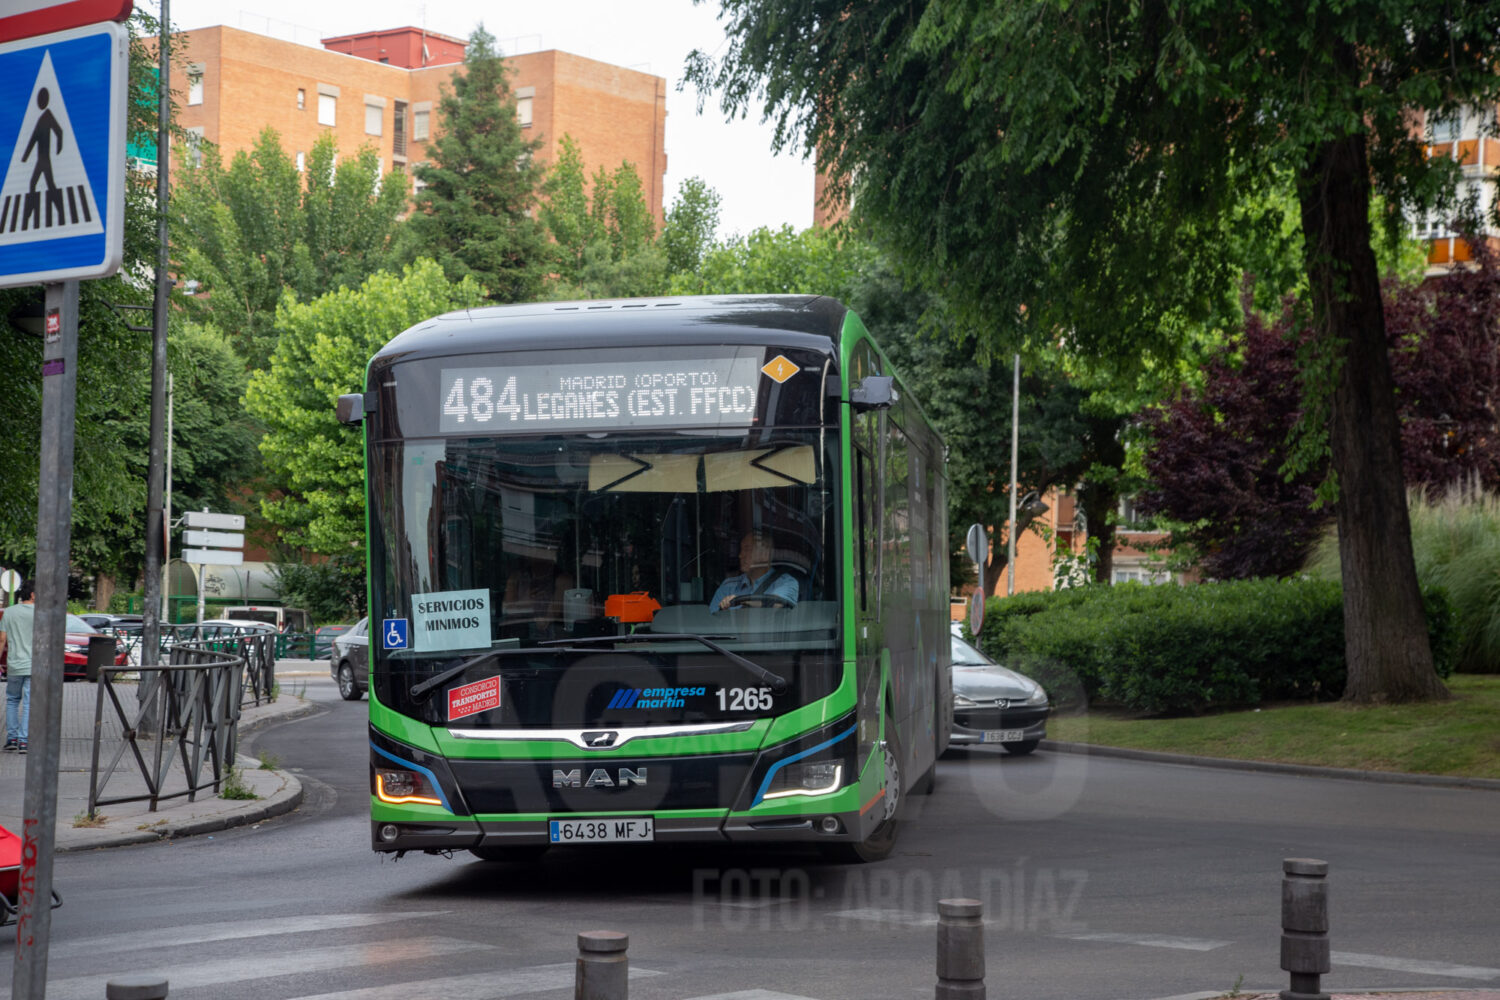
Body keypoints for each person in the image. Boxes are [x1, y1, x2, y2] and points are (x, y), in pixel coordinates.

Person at [710, 529, 799, 613]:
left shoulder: (786, 582)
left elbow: (775, 603)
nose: (741, 555)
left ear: (765, 554)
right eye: (741, 550)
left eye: (747, 549)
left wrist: (740, 601)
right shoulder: (728, 586)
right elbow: (712, 621)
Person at [0, 579, 36, 754]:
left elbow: (2, 640)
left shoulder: (9, 612)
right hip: (33, 665)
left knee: (12, 700)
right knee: (29, 703)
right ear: (33, 594)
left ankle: (11, 738)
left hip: (14, 664)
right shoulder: (41, 613)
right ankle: (24, 741)